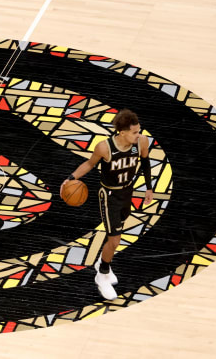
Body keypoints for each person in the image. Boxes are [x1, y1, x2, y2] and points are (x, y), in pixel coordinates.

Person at [61, 109, 154, 300]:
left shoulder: (141, 142)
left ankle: (103, 262)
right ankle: (102, 275)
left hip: (127, 192)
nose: (139, 135)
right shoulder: (104, 147)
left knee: (114, 237)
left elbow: (145, 161)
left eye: (139, 130)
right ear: (122, 132)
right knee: (115, 240)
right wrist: (71, 178)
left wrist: (149, 187)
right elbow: (89, 164)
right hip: (109, 195)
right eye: (135, 132)